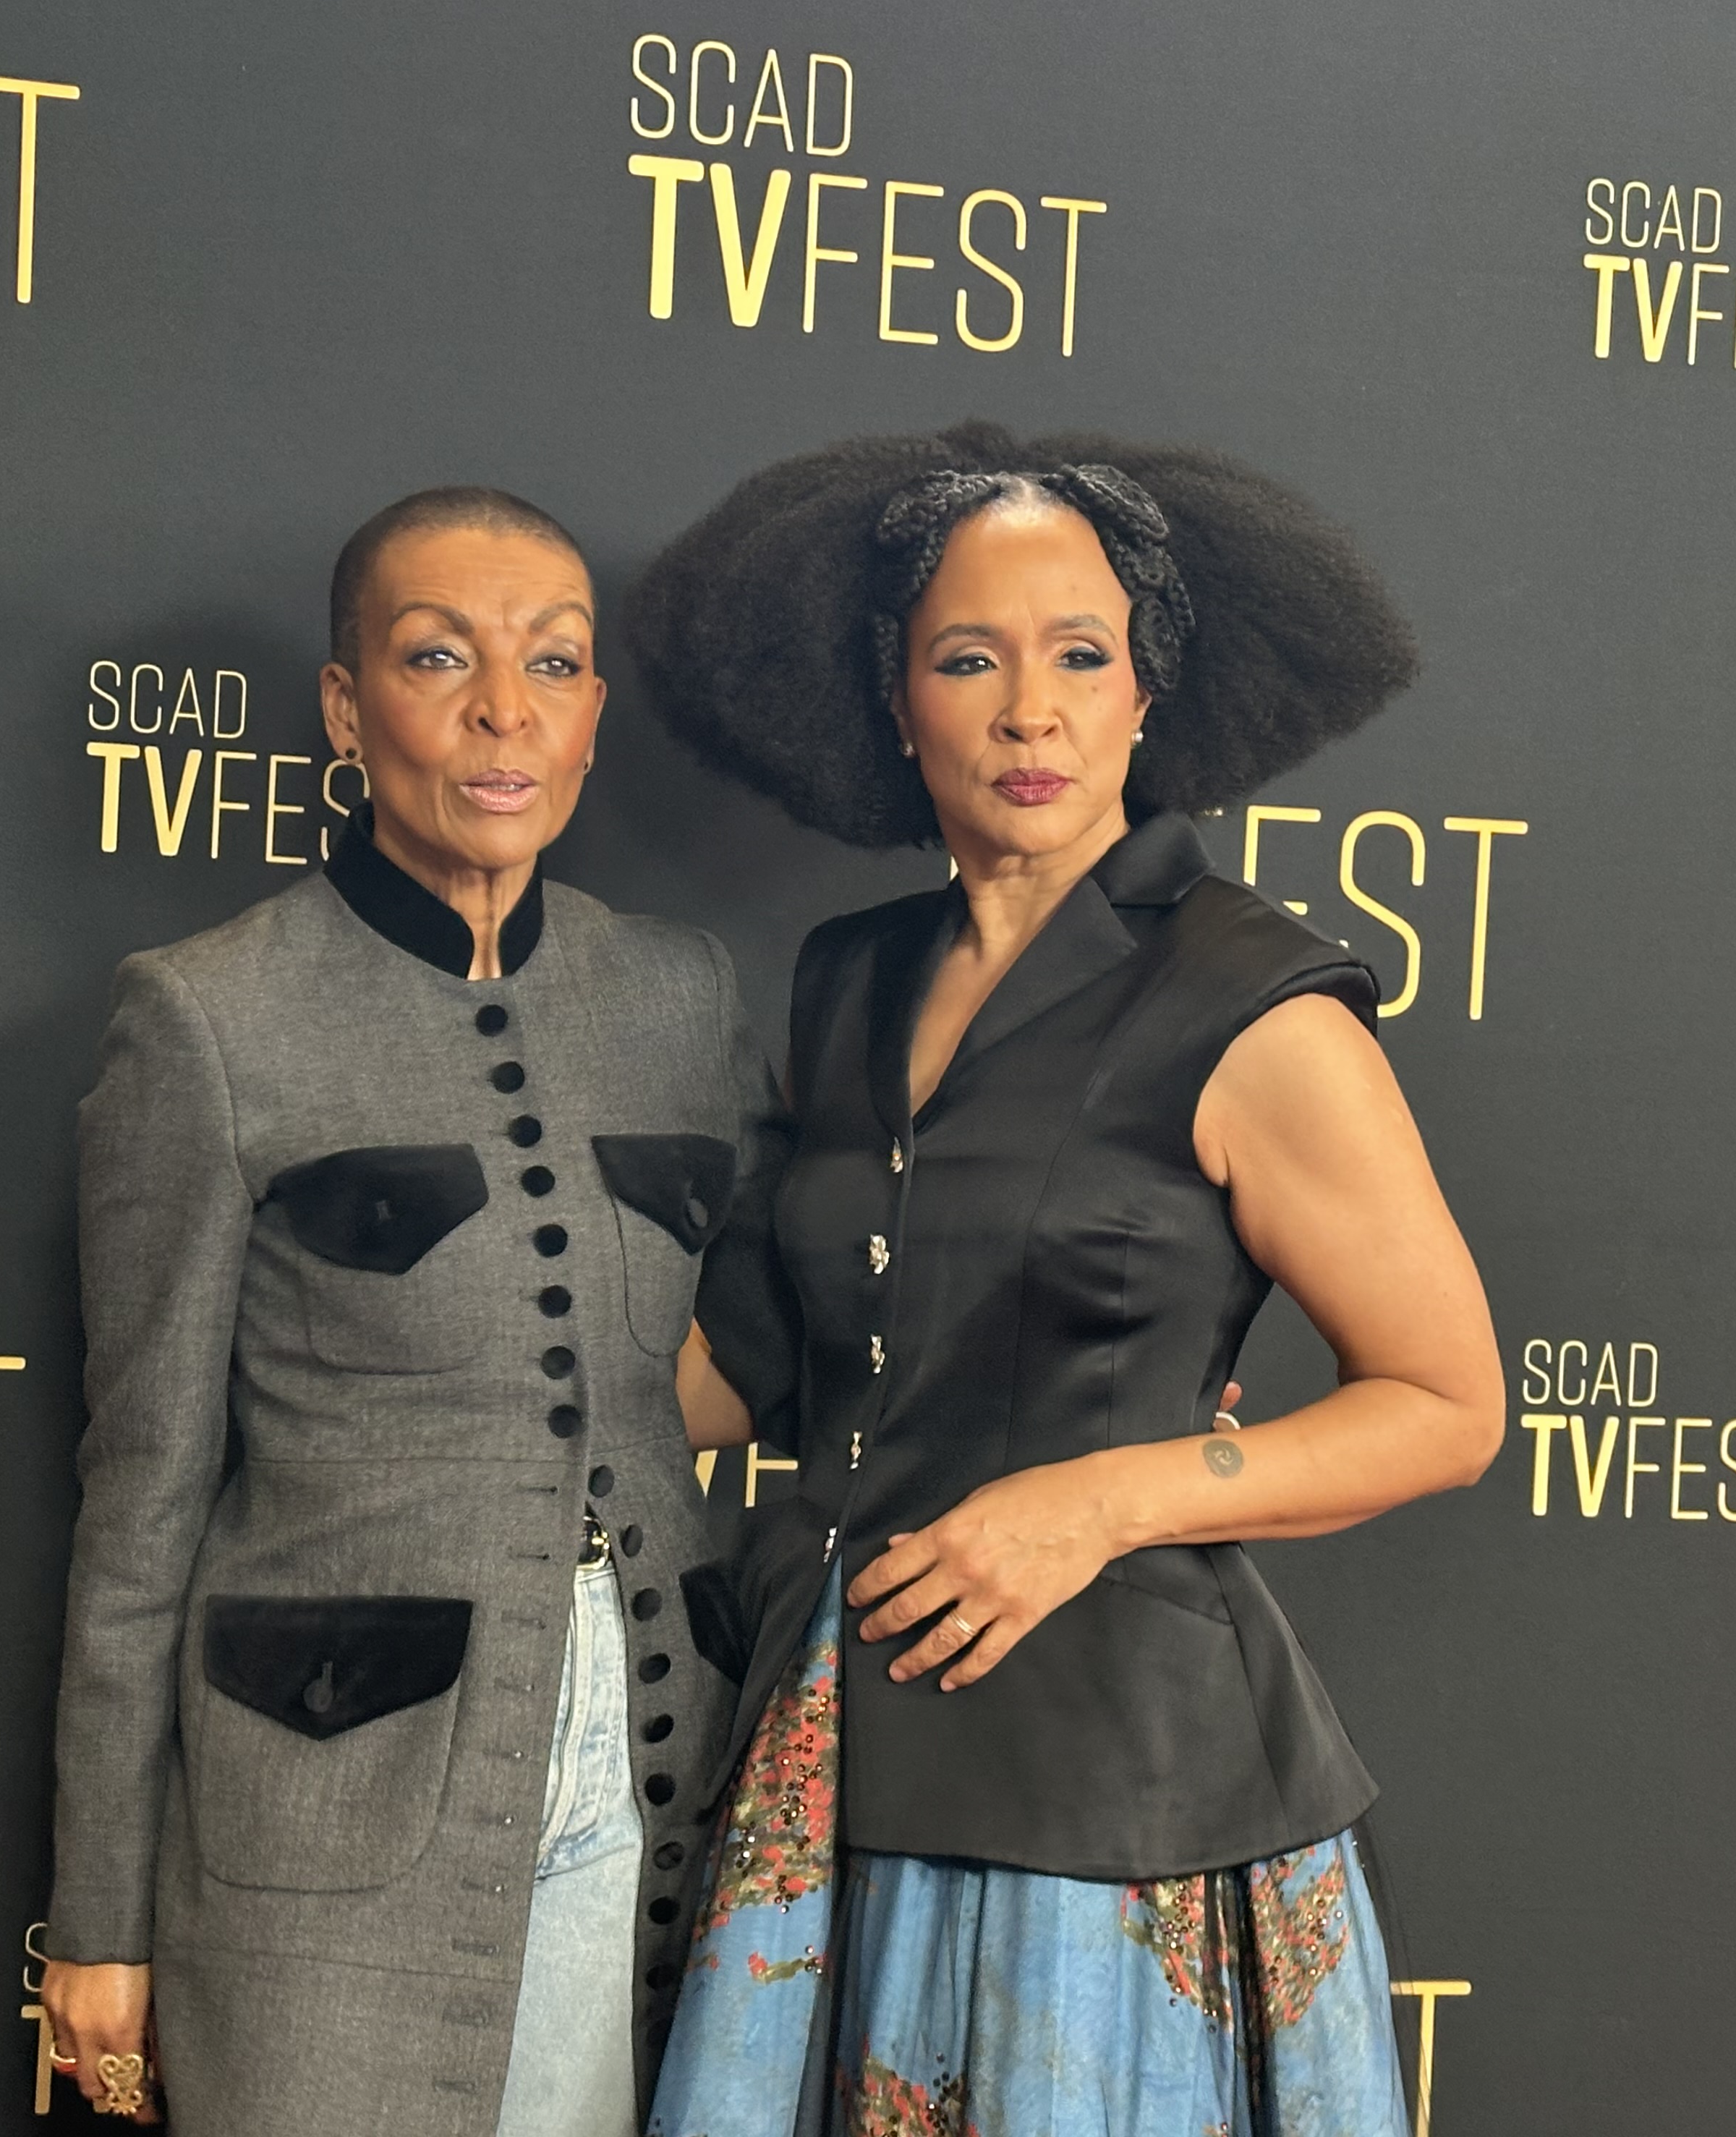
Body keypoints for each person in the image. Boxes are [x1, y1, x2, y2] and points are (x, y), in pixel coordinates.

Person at [624, 425, 1506, 2135]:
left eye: (1079, 656)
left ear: (1145, 696)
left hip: (1113, 1806)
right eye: (970, 659)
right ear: (895, 703)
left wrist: (1097, 1502)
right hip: (820, 1764)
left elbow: (1451, 1407)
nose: (1030, 711)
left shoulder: (1255, 1003)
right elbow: (740, 1363)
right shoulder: (846, 985)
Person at [39, 488, 780, 2136]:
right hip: (330, 1794)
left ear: (595, 712)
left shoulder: (681, 996)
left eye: (556, 665)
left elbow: (711, 1369)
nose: (503, 712)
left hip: (664, 1755)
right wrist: (96, 1920)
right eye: (441, 656)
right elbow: (144, 1492)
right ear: (345, 703)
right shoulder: (211, 1017)